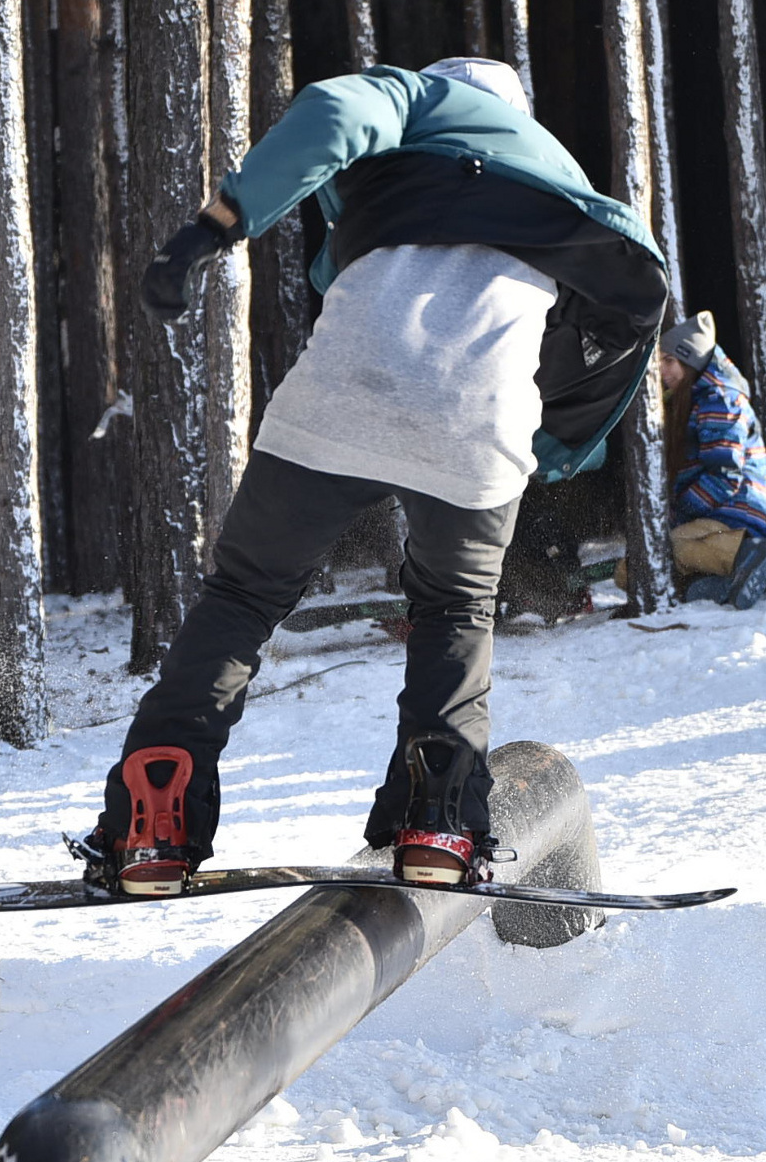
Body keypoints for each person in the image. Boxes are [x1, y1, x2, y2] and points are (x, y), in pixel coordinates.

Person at [85, 57, 668, 896]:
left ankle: (155, 824)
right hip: (481, 424)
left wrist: (216, 222)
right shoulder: (563, 181)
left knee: (246, 595)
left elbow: (332, 109)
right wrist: (555, 444)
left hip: (342, 396)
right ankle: (436, 820)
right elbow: (616, 320)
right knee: (454, 609)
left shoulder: (423, 104)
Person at [659, 311, 766, 608]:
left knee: (664, 551)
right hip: (713, 514)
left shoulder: (720, 400)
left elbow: (724, 476)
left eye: (669, 361)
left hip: (740, 512)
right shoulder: (691, 399)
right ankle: (727, 579)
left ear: (689, 360)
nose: (662, 371)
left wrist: (682, 509)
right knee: (629, 571)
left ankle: (747, 553)